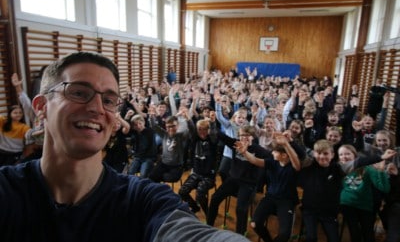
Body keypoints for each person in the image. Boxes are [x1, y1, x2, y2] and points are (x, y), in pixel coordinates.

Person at [0, 52, 250, 242]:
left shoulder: (144, 201)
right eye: (78, 92)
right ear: (41, 106)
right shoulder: (8, 191)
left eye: (109, 100)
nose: (97, 108)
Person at [236, 133, 303, 242]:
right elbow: (255, 160)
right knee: (254, 224)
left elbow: (297, 164)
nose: (272, 153)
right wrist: (245, 153)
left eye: (275, 151)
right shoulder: (273, 163)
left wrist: (286, 145)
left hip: (287, 201)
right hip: (270, 198)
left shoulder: (293, 166)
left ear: (284, 155)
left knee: (284, 234)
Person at [178, 119, 218, 214]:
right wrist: (188, 119)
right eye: (200, 129)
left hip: (208, 176)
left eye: (205, 129)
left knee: (199, 194)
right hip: (196, 174)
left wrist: (212, 123)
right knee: (182, 192)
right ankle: (195, 207)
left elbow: (213, 133)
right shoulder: (195, 140)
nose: (202, 132)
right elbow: (192, 129)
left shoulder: (212, 141)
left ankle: (208, 213)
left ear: (208, 130)